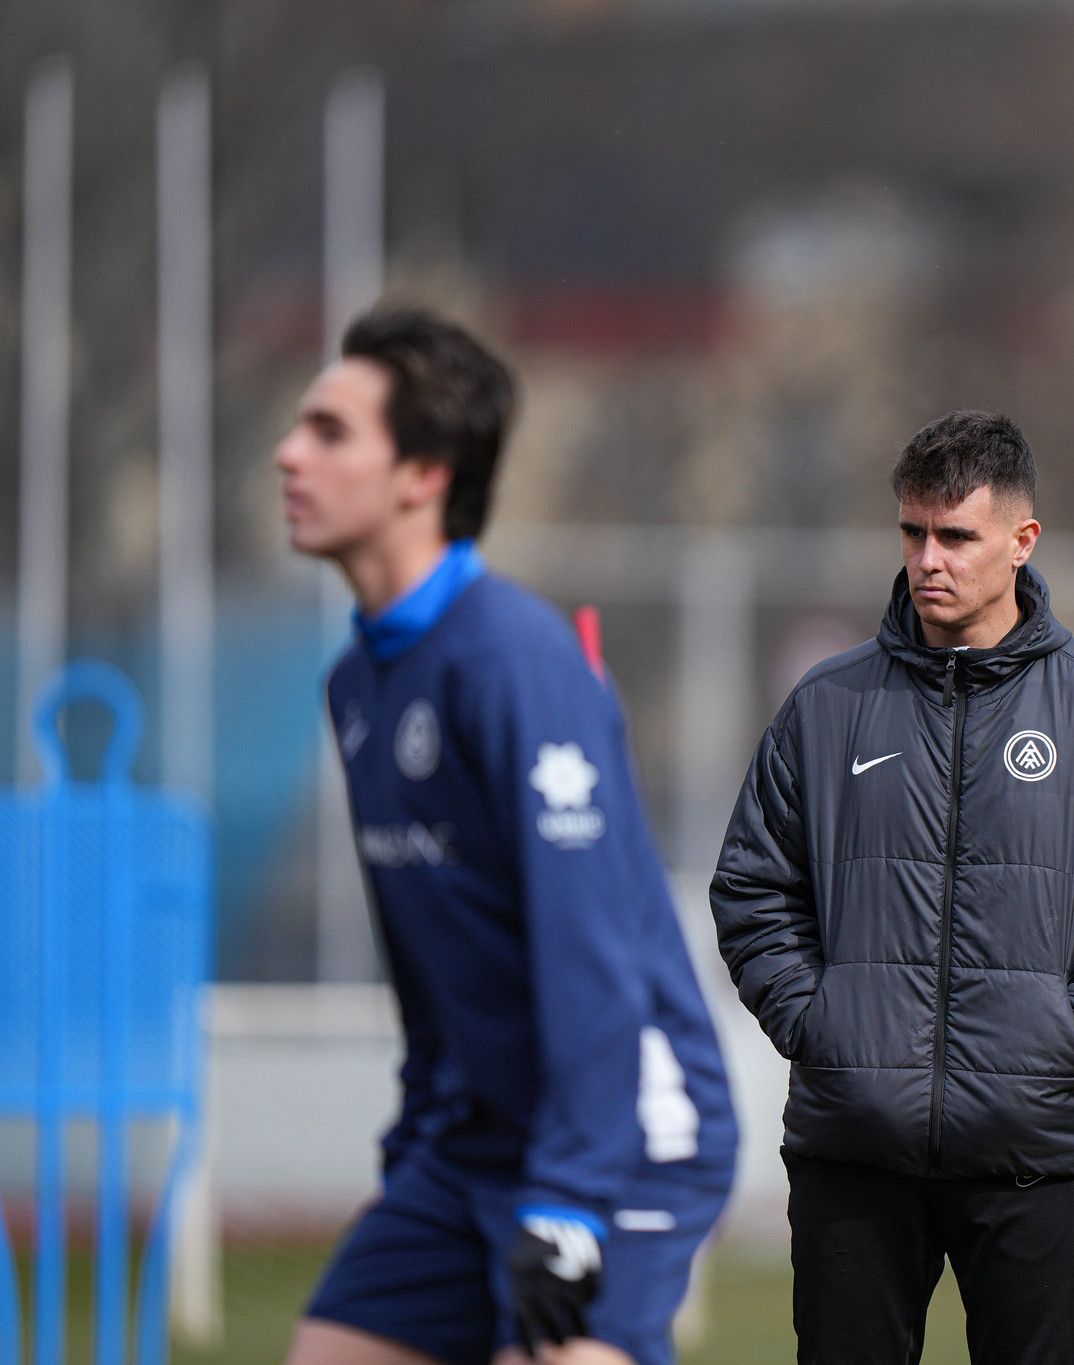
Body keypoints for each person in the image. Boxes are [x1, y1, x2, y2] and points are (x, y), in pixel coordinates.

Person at [276, 307, 738, 1365]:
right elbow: (429, 950)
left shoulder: (514, 663)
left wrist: (572, 1198)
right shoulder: (358, 684)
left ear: (423, 473)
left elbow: (591, 952)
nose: (288, 453)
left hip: (620, 1136)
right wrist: (414, 1137)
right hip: (474, 1142)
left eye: (329, 430)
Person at [710, 410, 1074, 1364]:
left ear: (1022, 542)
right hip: (853, 1144)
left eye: (956, 536)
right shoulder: (828, 706)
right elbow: (752, 888)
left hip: (1036, 1146)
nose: (928, 560)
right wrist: (824, 1025)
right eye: (913, 533)